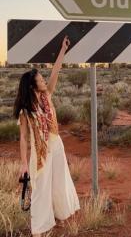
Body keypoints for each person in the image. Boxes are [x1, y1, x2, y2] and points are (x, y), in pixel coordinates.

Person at [13, 36, 80, 236]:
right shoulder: (26, 111)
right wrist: (24, 163)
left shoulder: (46, 96)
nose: (44, 81)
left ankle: (59, 215)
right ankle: (41, 227)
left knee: (59, 180)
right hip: (40, 152)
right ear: (33, 86)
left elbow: (55, 72)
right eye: (40, 80)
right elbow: (24, 138)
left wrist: (63, 50)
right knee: (41, 187)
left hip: (56, 144)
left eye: (43, 79)